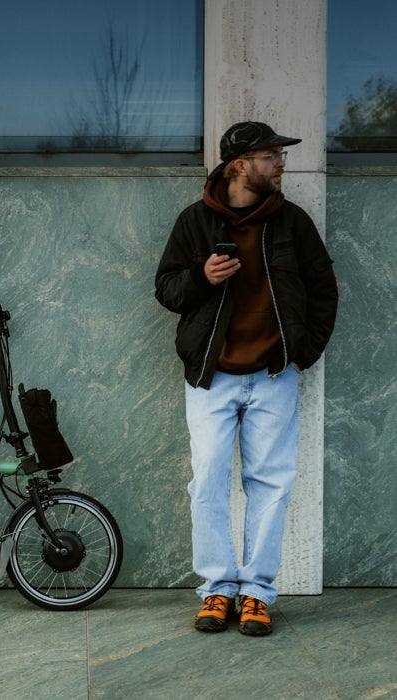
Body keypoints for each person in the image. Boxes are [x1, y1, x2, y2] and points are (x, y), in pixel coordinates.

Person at [154, 121, 338, 636]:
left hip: (275, 374)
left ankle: (256, 592)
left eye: (281, 155)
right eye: (272, 155)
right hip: (211, 378)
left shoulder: (292, 223)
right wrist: (200, 278)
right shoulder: (194, 222)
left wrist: (302, 354)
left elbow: (324, 290)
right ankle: (217, 588)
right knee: (207, 483)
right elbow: (166, 289)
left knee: (271, 486)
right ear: (241, 165)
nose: (282, 163)